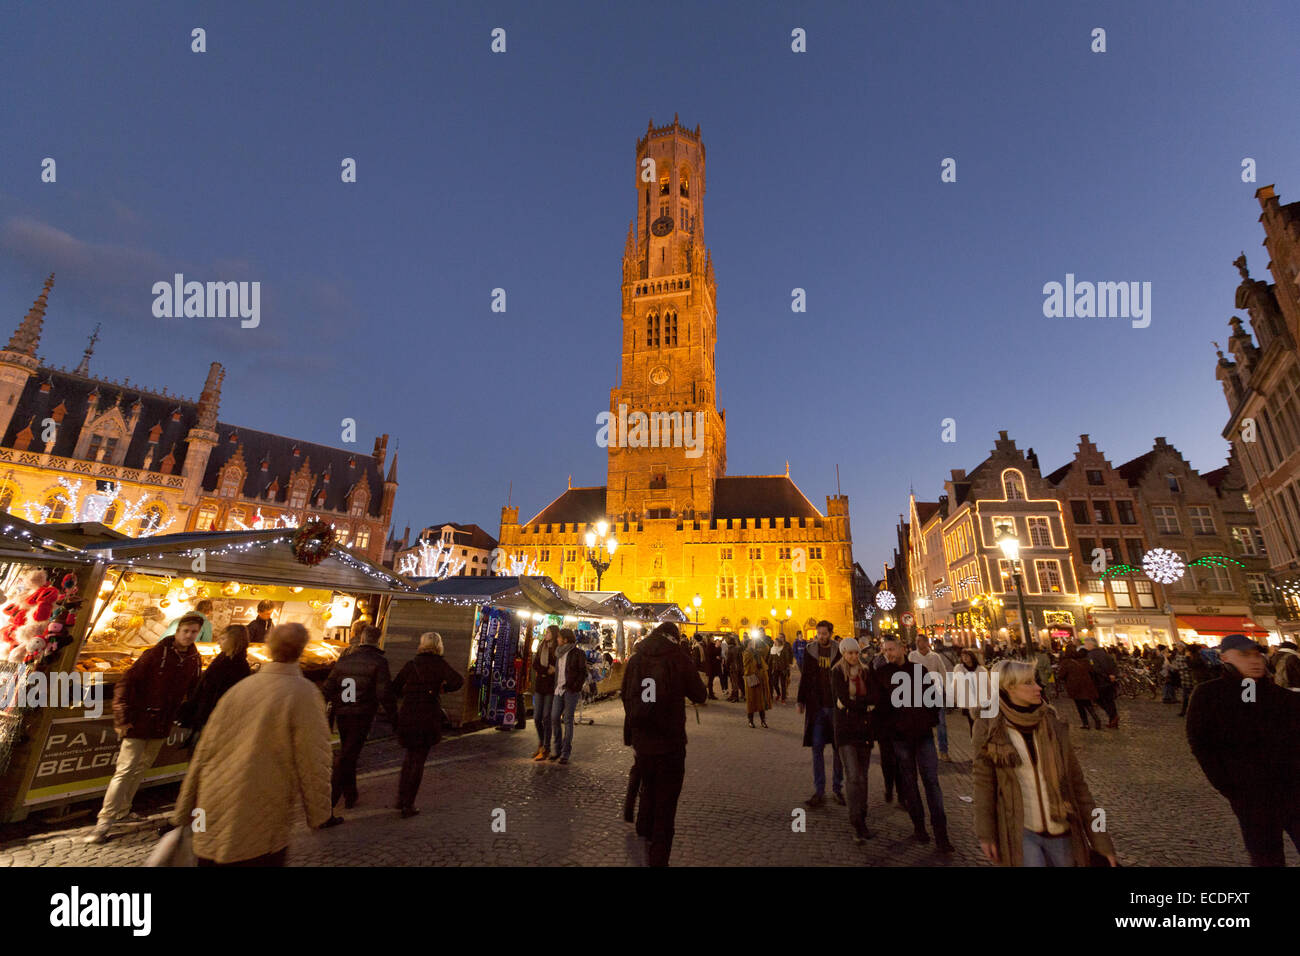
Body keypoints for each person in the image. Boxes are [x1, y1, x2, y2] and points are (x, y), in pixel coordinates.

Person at [170, 622, 333, 866]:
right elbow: (314, 757)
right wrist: (319, 813)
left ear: (268, 648)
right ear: (301, 650)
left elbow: (205, 749)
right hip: (262, 804)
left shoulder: (241, 688)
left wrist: (184, 807)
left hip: (214, 797)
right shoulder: (304, 694)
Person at [973, 660, 1118, 867]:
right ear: (1009, 687)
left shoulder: (1052, 722)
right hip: (1021, 830)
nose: (1038, 687)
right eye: (1029, 683)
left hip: (1062, 829)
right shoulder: (988, 726)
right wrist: (985, 833)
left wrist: (1102, 839)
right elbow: (983, 782)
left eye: (1036, 681)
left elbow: (1080, 786)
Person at [85, 613, 203, 844]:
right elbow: (126, 684)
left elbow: (192, 690)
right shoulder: (155, 654)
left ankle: (123, 810)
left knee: (141, 768)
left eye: (193, 632)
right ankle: (104, 822)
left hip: (161, 724)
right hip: (139, 720)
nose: (189, 636)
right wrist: (122, 718)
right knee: (125, 769)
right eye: (186, 631)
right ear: (177, 631)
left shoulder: (193, 659)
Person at [1186, 634, 1300, 866]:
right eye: (1244, 655)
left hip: (1293, 790)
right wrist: (1230, 787)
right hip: (1251, 796)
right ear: (1225, 657)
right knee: (1266, 856)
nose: (1254, 660)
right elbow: (1201, 744)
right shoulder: (1209, 695)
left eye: (1257, 654)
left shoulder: (1282, 697)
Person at [621, 621, 707, 866]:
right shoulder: (678, 658)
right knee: (666, 803)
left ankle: (643, 828)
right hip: (670, 741)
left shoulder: (636, 659)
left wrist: (637, 725)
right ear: (673, 637)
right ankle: (659, 857)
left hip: (643, 741)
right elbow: (700, 694)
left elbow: (625, 695)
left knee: (648, 785)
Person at [873, 637, 954, 852]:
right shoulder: (882, 674)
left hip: (923, 735)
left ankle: (941, 835)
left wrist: (927, 719)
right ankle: (919, 827)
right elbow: (880, 708)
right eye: (885, 651)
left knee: (931, 783)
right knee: (910, 783)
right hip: (900, 738)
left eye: (891, 649)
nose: (888, 653)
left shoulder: (919, 670)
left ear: (902, 649)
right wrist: (887, 732)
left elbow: (933, 699)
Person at [320, 624, 396, 820]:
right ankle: (328, 803)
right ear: (377, 640)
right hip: (362, 713)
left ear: (361, 639)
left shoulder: (345, 660)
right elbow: (384, 693)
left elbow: (329, 686)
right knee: (347, 756)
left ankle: (350, 794)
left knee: (349, 751)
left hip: (343, 712)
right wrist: (394, 717)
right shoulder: (379, 662)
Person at [392, 631, 464, 817]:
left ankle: (400, 798)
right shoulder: (439, 664)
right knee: (418, 760)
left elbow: (394, 687)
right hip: (427, 715)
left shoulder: (412, 664)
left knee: (409, 758)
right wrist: (442, 688)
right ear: (439, 646)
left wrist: (407, 696)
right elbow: (458, 680)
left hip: (408, 714)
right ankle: (408, 804)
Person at [176, 624, 251, 748]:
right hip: (205, 717)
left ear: (234, 640)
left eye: (223, 639)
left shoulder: (238, 666)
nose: (218, 642)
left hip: (216, 721)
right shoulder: (223, 658)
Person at [832, 637, 877, 843]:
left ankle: (863, 815)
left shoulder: (866, 672)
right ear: (843, 653)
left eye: (855, 653)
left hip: (865, 730)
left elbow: (873, 698)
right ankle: (856, 820)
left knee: (864, 776)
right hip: (845, 730)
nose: (853, 656)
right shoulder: (836, 672)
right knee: (853, 776)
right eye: (849, 653)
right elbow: (841, 699)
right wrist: (863, 706)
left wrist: (854, 704)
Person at [798, 621, 844, 807]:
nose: (821, 636)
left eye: (824, 633)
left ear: (831, 633)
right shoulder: (810, 651)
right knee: (817, 748)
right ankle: (819, 791)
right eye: (819, 633)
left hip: (835, 707)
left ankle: (837, 789)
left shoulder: (839, 651)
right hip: (817, 707)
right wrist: (801, 700)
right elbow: (806, 677)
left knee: (837, 749)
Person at [549, 627, 588, 764]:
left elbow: (583, 672)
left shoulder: (577, 653)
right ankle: (557, 748)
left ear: (565, 639)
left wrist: (575, 687)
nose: (557, 639)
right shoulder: (558, 653)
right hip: (558, 690)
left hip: (570, 690)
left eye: (559, 637)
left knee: (568, 720)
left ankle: (565, 752)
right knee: (554, 717)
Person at [909, 635, 951, 761]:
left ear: (926, 643)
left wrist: (946, 690)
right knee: (920, 722)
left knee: (941, 723)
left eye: (920, 641)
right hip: (919, 693)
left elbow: (943, 673)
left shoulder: (935, 657)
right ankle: (922, 751)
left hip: (935, 692)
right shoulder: (912, 656)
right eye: (916, 641)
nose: (917, 643)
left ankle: (943, 751)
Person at [531, 625, 559, 761]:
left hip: (549, 687)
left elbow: (556, 668)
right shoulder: (542, 646)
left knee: (546, 717)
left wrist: (549, 671)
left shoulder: (556, 649)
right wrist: (546, 670)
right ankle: (541, 744)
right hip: (540, 686)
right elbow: (535, 664)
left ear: (553, 634)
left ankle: (546, 748)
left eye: (548, 632)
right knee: (537, 717)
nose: (546, 634)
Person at [1058, 647, 1103, 730]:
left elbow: (1061, 675)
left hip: (1075, 686)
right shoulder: (1083, 660)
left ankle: (1086, 723)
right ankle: (1096, 719)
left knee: (1079, 705)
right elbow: (1091, 670)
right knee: (1087, 703)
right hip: (1086, 685)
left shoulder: (1066, 662)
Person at [1083, 637, 1120, 727]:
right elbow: (1113, 664)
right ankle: (1113, 718)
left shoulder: (1091, 655)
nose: (1085, 646)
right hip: (1108, 681)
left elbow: (1095, 668)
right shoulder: (1104, 652)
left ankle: (1113, 716)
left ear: (1090, 644)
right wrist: (1113, 675)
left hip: (1100, 681)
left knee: (1100, 699)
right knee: (1109, 700)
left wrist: (1107, 676)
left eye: (1086, 644)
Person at [743, 635, 771, 728]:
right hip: (752, 679)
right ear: (747, 645)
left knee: (761, 701)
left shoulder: (758, 653)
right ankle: (750, 720)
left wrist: (761, 640)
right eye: (751, 644)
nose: (753, 645)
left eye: (753, 643)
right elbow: (746, 666)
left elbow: (766, 649)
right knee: (751, 701)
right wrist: (755, 668)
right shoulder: (746, 653)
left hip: (761, 679)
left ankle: (763, 721)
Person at [955, 648, 984, 732]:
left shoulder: (980, 669)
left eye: (966, 656)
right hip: (968, 701)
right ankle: (975, 742)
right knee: (972, 724)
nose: (964, 658)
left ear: (971, 657)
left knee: (981, 723)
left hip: (980, 700)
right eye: (963, 656)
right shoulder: (959, 669)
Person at [770, 632, 794, 702]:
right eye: (779, 637)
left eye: (781, 637)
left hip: (784, 667)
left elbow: (790, 654)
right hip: (776, 668)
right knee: (774, 682)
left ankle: (783, 697)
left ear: (784, 637)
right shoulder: (774, 647)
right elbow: (771, 657)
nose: (780, 638)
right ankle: (779, 694)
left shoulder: (787, 645)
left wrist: (789, 664)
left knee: (784, 683)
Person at [726, 634, 744, 702]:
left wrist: (726, 667)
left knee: (734, 682)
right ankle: (734, 695)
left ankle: (735, 697)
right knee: (738, 682)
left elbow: (728, 660)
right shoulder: (738, 648)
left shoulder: (730, 649)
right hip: (739, 667)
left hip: (733, 668)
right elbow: (741, 658)